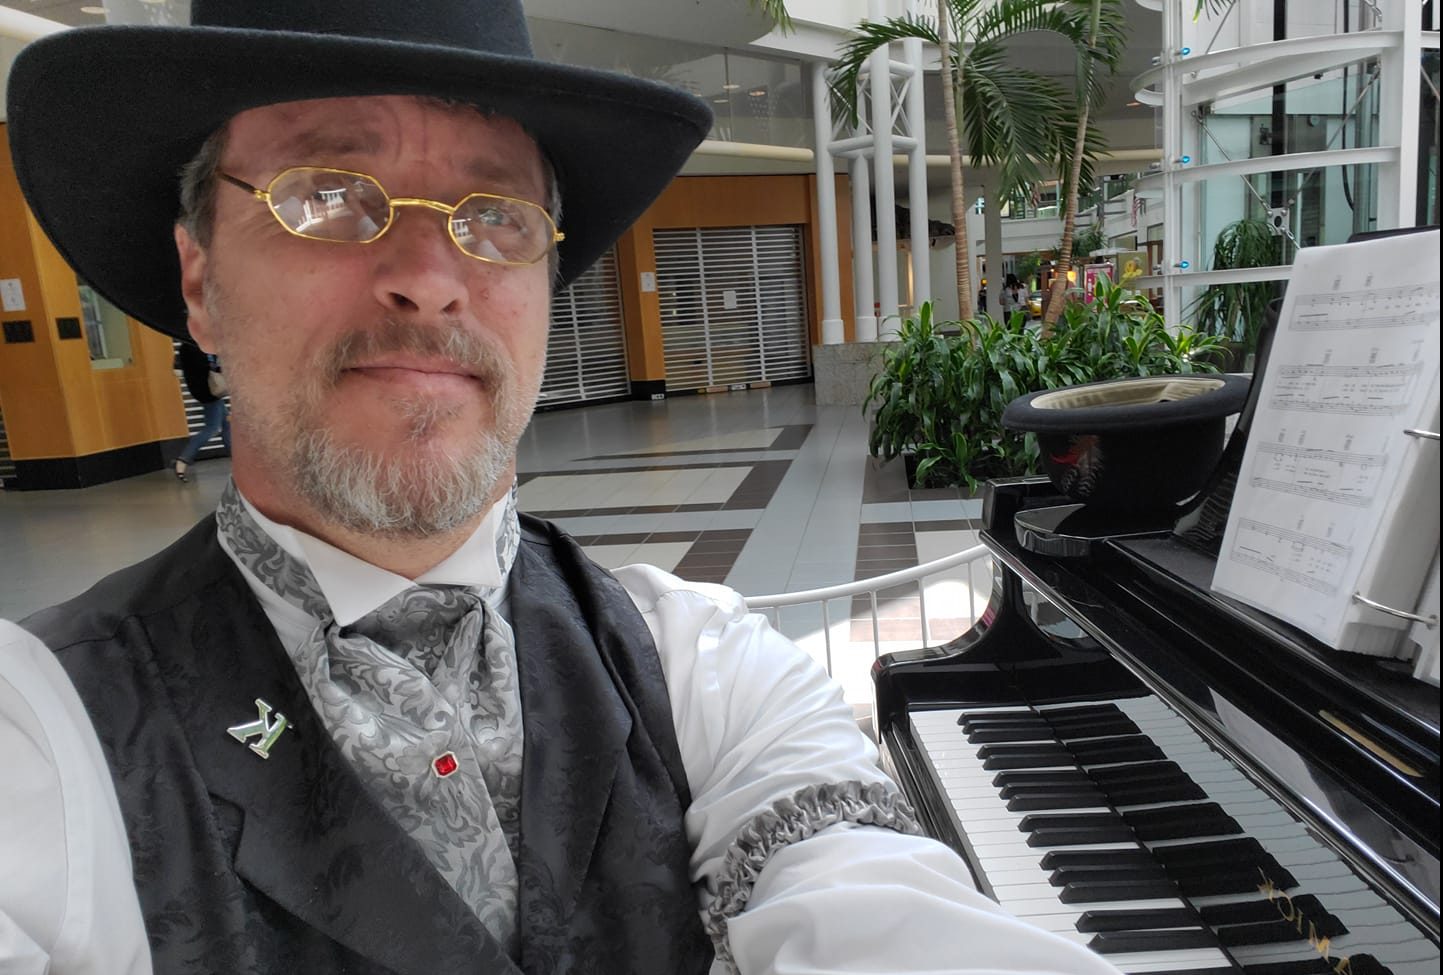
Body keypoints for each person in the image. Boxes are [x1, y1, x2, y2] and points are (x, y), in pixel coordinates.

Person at [1, 3, 1127, 974]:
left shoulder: (700, 668)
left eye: (494, 216)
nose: (429, 281)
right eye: (330, 193)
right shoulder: (45, 732)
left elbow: (878, 910)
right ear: (199, 277)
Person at [171, 340, 231, 482]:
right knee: (212, 428)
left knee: (227, 426)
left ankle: (238, 461)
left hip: (205, 390)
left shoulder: (186, 346)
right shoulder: (196, 347)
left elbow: (180, 369)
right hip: (208, 392)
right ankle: (183, 460)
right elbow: (207, 367)